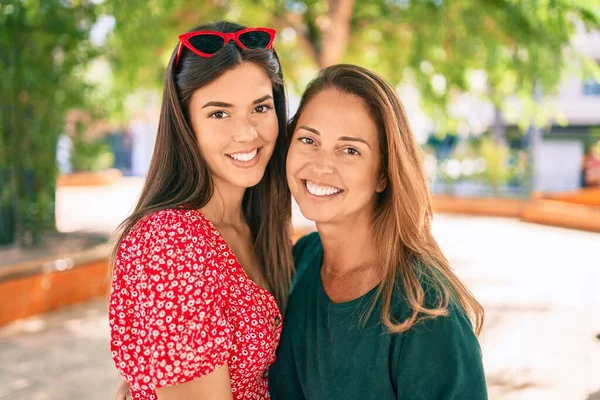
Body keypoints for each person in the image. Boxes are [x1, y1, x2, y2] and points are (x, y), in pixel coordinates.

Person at [269, 64, 488, 399]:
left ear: (383, 175)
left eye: (350, 150)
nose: (321, 164)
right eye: (309, 139)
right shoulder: (299, 261)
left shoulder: (426, 311)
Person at [109, 21, 294, 400]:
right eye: (219, 114)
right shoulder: (170, 243)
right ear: (185, 124)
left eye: (260, 107)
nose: (247, 133)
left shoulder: (257, 225)